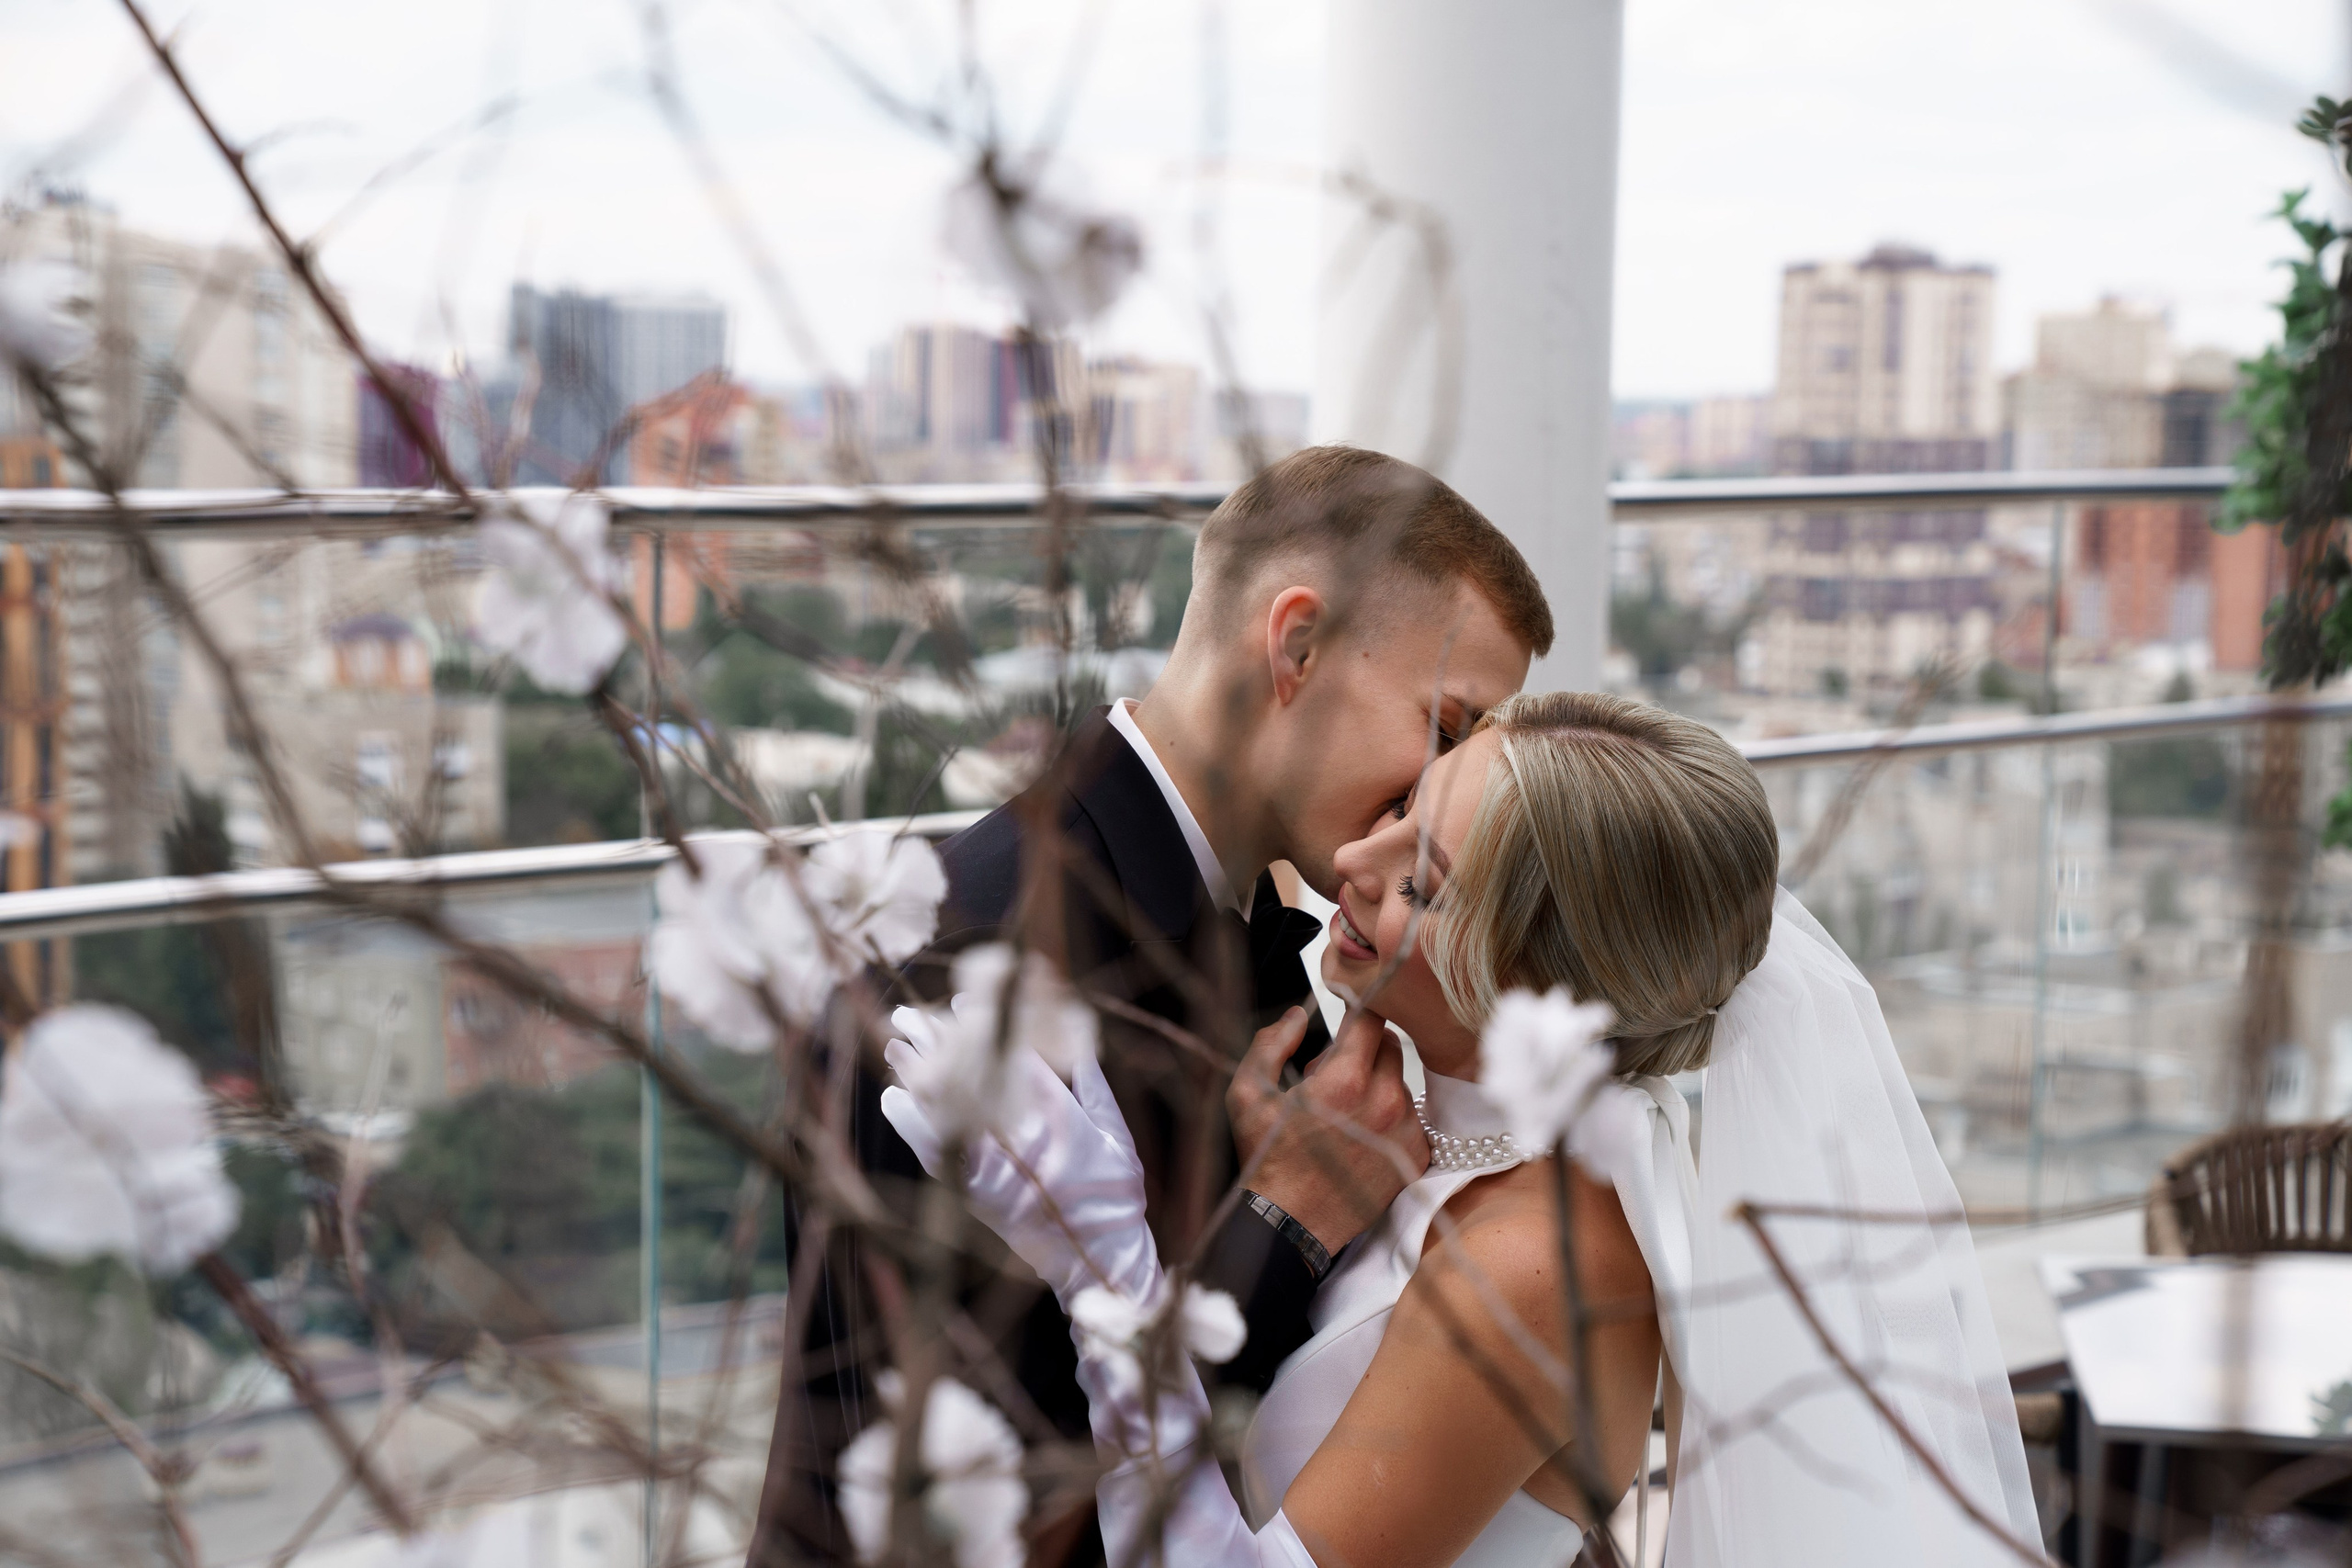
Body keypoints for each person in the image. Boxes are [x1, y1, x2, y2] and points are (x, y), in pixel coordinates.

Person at [885, 692, 2041, 1567]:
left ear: (1543, 986)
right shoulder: (1410, 1132)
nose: (1350, 863)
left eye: (1424, 885)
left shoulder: (1546, 1258)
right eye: (1399, 813)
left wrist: (1104, 1258)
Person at [749, 446, 1555, 1564]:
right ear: (1297, 646)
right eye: (1449, 727)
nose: (1445, 789)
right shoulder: (973, 973)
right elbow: (1002, 1500)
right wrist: (1282, 1232)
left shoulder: (1263, 930)